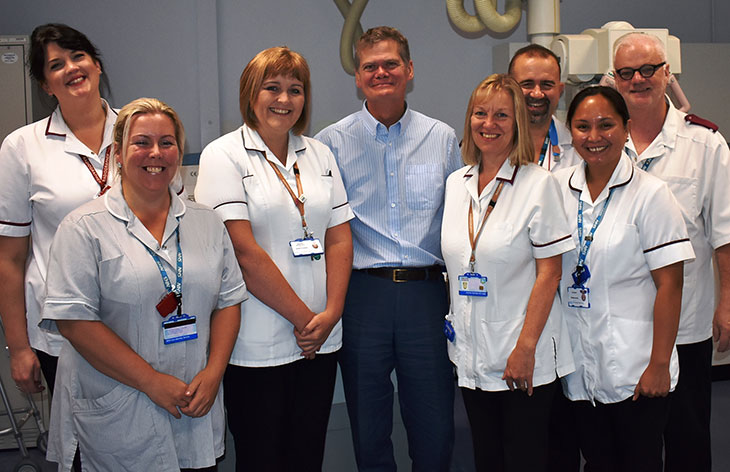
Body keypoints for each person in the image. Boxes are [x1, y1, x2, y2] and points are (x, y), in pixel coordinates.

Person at [39, 97, 246, 471]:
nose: (156, 153)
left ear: (179, 152)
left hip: (193, 401)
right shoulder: (84, 227)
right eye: (142, 142)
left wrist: (214, 373)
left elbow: (229, 301)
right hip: (120, 408)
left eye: (167, 143)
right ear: (118, 152)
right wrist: (150, 381)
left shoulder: (206, 223)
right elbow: (73, 322)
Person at [195, 47, 354, 472]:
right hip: (256, 341)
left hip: (319, 340)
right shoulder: (223, 154)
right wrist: (306, 319)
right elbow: (242, 252)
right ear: (251, 93)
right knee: (262, 457)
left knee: (307, 455)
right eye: (273, 88)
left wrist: (332, 313)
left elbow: (339, 237)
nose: (284, 99)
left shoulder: (318, 154)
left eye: (295, 90)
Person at [315, 26, 462, 471]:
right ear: (358, 77)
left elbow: (458, 216)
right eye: (370, 66)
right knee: (368, 421)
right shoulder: (330, 143)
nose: (381, 72)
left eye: (390, 64)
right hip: (363, 296)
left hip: (426, 295)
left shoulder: (442, 138)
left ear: (409, 70)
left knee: (435, 421)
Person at [555, 86, 694, 472]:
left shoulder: (652, 195)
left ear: (626, 128)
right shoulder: (557, 190)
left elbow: (671, 284)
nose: (594, 136)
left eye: (606, 125)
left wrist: (659, 365)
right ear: (570, 131)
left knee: (639, 463)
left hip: (638, 369)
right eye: (583, 126)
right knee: (597, 462)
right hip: (581, 369)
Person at [441, 73, 575, 472]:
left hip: (521, 356)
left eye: (501, 115)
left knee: (525, 459)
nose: (489, 124)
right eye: (480, 114)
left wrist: (525, 348)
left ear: (517, 122)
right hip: (471, 353)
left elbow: (550, 274)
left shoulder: (539, 185)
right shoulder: (456, 184)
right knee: (488, 457)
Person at [612, 33, 730, 472]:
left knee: (688, 439)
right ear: (615, 79)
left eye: (648, 70)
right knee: (629, 445)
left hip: (686, 325)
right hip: (621, 325)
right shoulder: (601, 144)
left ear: (667, 73)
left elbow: (724, 234)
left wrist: (727, 305)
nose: (638, 79)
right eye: (626, 72)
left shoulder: (705, 145)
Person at [0, 23, 118, 397]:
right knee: (81, 446)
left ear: (97, 65)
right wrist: (19, 348)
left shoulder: (139, 132)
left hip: (139, 318)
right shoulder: (22, 147)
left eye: (78, 56)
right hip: (64, 329)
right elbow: (10, 259)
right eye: (56, 65)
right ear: (46, 86)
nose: (71, 68)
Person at [508, 44, 579, 171]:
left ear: (560, 90)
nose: (537, 93)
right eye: (527, 84)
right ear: (509, 88)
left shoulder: (578, 149)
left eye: (546, 85)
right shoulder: (489, 143)